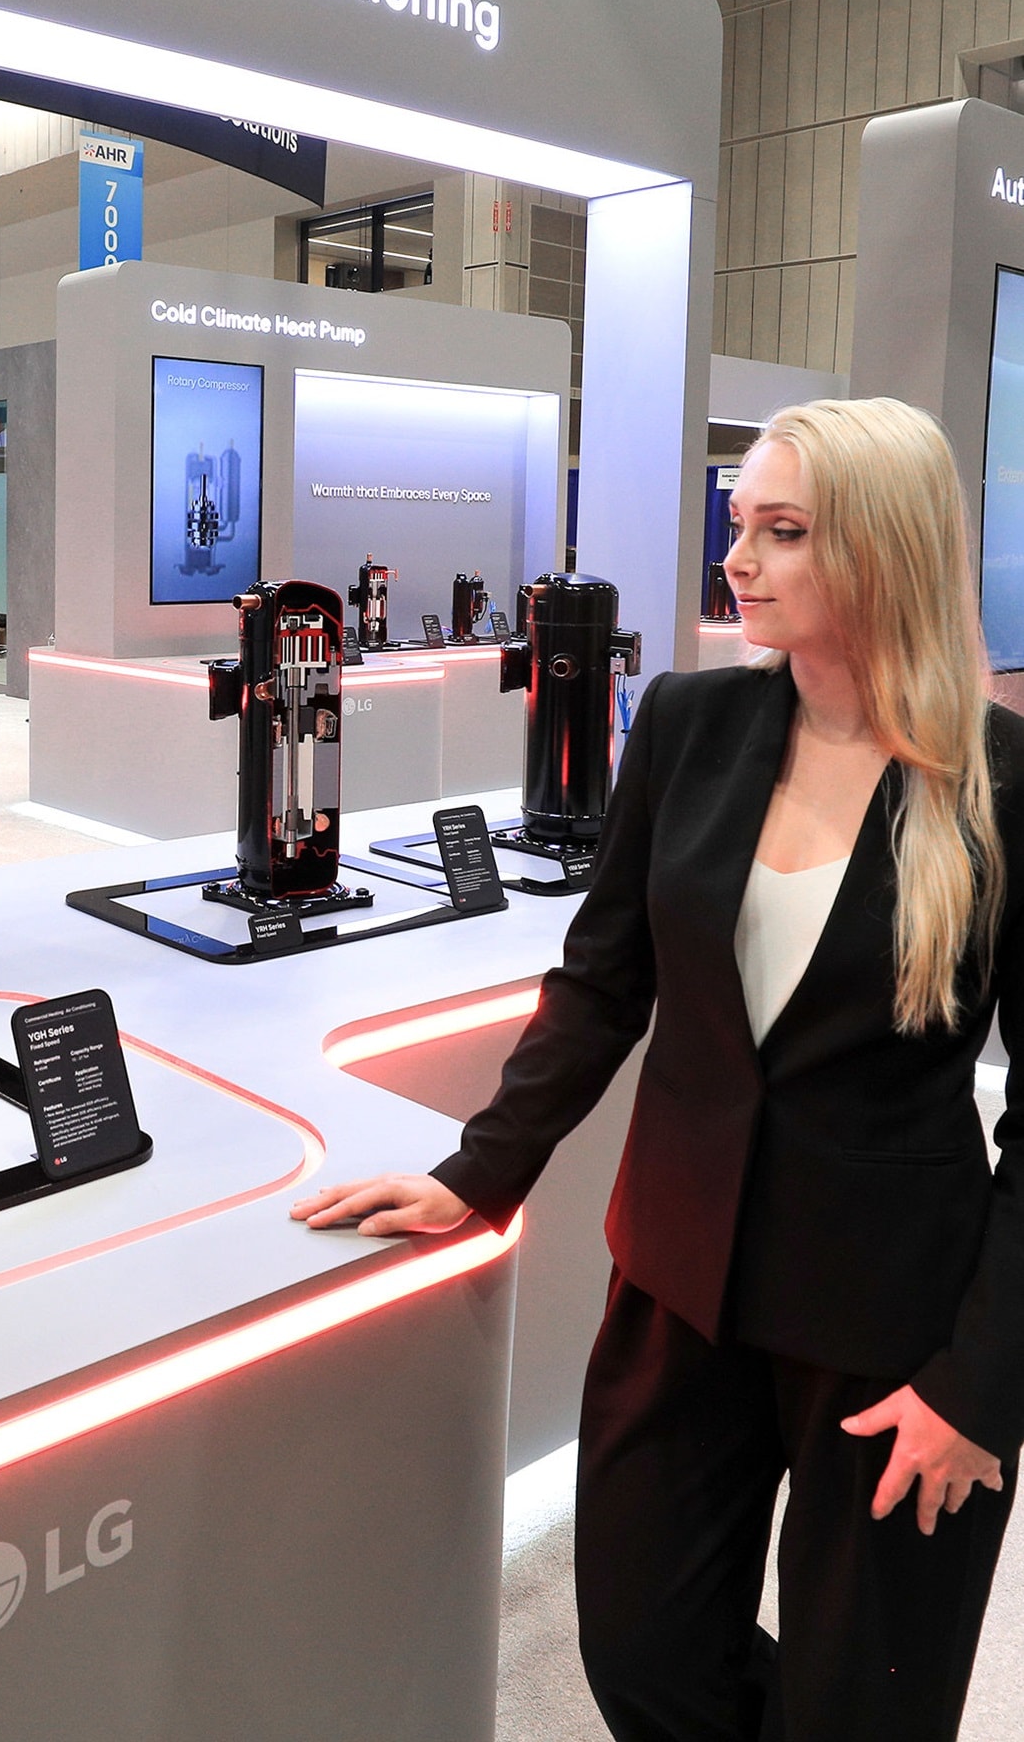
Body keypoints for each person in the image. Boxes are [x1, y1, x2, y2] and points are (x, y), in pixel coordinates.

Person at [292, 398, 1024, 1741]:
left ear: (883, 547)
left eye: (783, 530)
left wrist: (982, 1388)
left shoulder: (1006, 782)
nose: (736, 558)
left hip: (893, 1317)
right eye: (740, 524)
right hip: (679, 1279)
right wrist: (479, 1172)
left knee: (865, 1702)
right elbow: (601, 980)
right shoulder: (690, 721)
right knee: (641, 1651)